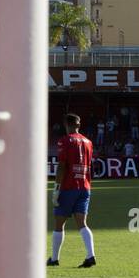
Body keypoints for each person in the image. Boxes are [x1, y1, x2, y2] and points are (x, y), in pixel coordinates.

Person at [49, 113, 95, 268]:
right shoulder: (88, 142)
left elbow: (62, 166)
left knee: (59, 224)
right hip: (85, 186)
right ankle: (90, 256)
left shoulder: (65, 141)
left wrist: (56, 189)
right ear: (78, 124)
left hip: (69, 187)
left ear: (66, 124)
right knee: (82, 223)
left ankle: (54, 259)